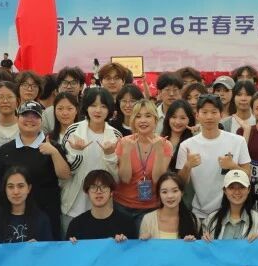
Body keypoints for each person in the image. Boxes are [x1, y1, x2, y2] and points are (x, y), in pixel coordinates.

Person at [0, 100, 70, 237]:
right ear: (17, 118)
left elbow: (65, 175)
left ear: (41, 120)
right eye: (25, 115)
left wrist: (54, 153)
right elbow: (0, 185)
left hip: (46, 215)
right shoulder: (6, 150)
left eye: (35, 116)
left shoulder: (53, 146)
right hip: (14, 217)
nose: (30, 120)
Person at [175, 95, 251, 221]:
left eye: (214, 112)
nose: (209, 117)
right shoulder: (186, 145)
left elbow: (248, 176)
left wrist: (233, 166)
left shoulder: (238, 141)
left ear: (221, 115)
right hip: (200, 213)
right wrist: (188, 165)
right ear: (197, 115)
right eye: (204, 112)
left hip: (231, 212)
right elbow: (180, 184)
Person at [59, 87, 121, 231]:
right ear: (86, 107)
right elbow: (66, 172)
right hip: (74, 204)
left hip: (103, 208)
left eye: (103, 106)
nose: (98, 110)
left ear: (109, 110)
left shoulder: (116, 136)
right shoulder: (73, 131)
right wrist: (76, 152)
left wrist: (109, 155)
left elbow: (116, 178)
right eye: (93, 105)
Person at [115, 99, 173, 230]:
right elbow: (124, 178)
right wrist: (126, 152)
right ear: (133, 121)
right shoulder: (124, 142)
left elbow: (158, 179)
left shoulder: (165, 145)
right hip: (122, 205)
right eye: (138, 116)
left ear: (155, 120)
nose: (143, 120)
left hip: (151, 208)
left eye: (148, 116)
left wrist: (159, 151)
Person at [0, 165, 53, 244]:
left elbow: (49, 249)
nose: (16, 192)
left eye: (20, 186)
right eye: (10, 187)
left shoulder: (42, 219)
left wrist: (39, 247)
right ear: (5, 189)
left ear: (29, 188)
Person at [66, 170, 135, 241]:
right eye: (93, 187)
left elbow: (134, 247)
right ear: (87, 192)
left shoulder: (126, 222)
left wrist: (126, 244)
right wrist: (72, 245)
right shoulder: (76, 224)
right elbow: (68, 248)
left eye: (104, 187)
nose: (99, 191)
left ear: (111, 192)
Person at [204, 170, 258, 241]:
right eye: (231, 188)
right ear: (224, 190)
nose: (237, 192)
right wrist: (203, 241)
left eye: (242, 187)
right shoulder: (211, 220)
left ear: (249, 189)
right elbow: (202, 246)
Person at [139, 172, 202, 240]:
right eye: (164, 192)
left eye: (175, 191)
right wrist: (144, 241)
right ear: (159, 194)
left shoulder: (193, 219)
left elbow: (199, 245)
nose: (170, 196)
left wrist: (190, 243)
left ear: (182, 193)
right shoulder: (148, 219)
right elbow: (141, 245)